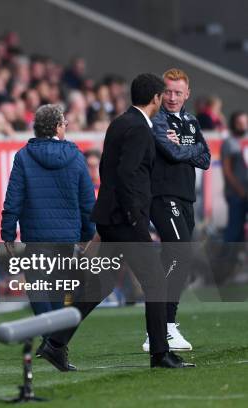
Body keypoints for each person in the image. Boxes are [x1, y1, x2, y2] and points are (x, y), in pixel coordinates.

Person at [40, 73, 194, 370]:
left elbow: (115, 174)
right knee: (156, 281)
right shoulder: (138, 128)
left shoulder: (122, 122)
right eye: (163, 96)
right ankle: (161, 353)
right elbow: (127, 177)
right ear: (156, 98)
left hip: (111, 217)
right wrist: (136, 218)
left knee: (99, 285)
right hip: (124, 219)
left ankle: (55, 344)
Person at [1, 104, 96, 356]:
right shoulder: (75, 156)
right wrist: (89, 234)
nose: (66, 126)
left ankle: (49, 340)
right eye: (64, 123)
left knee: (39, 289)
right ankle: (54, 343)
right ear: (56, 127)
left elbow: (14, 197)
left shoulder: (23, 156)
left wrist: (8, 232)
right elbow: (87, 200)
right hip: (67, 235)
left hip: (36, 234)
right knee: (56, 290)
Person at [143, 68, 211, 353]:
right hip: (162, 196)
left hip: (185, 198)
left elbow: (206, 158)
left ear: (187, 94)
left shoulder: (191, 122)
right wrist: (189, 149)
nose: (172, 97)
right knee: (179, 251)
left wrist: (186, 147)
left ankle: (163, 326)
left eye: (177, 92)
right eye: (168, 92)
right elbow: (171, 152)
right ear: (161, 93)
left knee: (178, 257)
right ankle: (162, 328)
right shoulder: (156, 120)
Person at [221, 111, 248, 243]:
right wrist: (240, 190)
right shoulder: (229, 143)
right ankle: (226, 261)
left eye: (244, 123)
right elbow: (227, 170)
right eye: (239, 123)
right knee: (234, 230)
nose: (242, 126)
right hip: (236, 194)